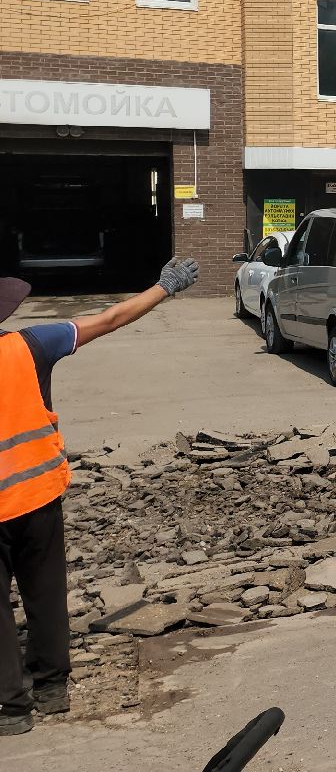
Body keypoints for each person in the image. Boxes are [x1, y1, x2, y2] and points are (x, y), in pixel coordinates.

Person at [0, 257, 198, 735]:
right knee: (45, 591)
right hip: (37, 495)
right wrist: (164, 287)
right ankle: (52, 687)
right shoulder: (30, 345)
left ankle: (12, 710)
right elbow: (110, 319)